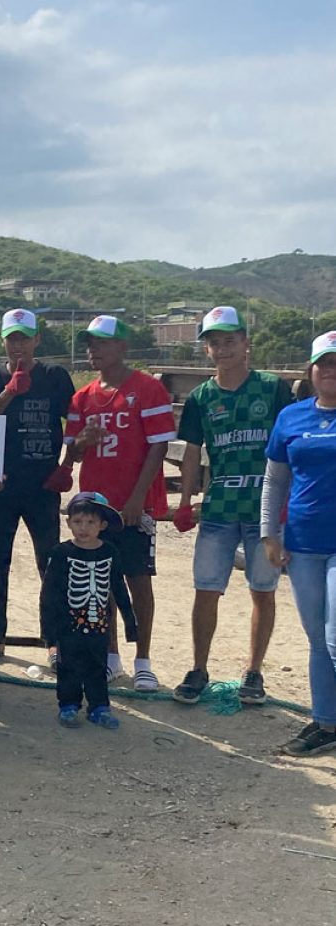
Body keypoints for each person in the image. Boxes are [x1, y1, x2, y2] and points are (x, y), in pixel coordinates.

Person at [172, 307, 292, 705]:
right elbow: (192, 452)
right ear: (206, 349)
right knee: (206, 589)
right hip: (219, 507)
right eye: (213, 342)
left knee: (263, 590)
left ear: (245, 343)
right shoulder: (201, 398)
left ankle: (254, 672)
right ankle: (198, 668)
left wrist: (288, 506)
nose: (222, 349)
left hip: (265, 509)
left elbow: (289, 448)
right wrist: (187, 501)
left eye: (229, 341)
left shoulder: (273, 389)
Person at [60, 315, 176, 691]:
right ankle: (110, 657)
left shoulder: (146, 388)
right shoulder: (82, 396)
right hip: (96, 507)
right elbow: (72, 453)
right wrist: (83, 442)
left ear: (122, 347)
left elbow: (158, 445)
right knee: (101, 582)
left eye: (102, 342)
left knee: (138, 580)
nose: (93, 349)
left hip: (132, 503)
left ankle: (143, 659)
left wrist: (138, 497)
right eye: (89, 342)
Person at [0, 309, 75, 663]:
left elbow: (74, 422)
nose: (18, 345)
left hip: (44, 485)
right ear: (2, 340)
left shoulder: (55, 376)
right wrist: (8, 392)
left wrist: (68, 465)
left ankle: (53, 640)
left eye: (24, 338)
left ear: (36, 340)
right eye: (11, 338)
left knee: (49, 563)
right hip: (1, 485)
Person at [261, 331, 336, 756]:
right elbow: (275, 481)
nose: (330, 370)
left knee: (335, 636)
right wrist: (269, 534)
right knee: (316, 637)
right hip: (304, 544)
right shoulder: (292, 418)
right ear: (310, 371)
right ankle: (325, 721)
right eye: (323, 362)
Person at [41, 492, 136, 729]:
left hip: (99, 625)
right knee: (68, 665)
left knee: (97, 665)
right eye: (78, 522)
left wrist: (130, 622)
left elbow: (119, 588)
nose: (83, 528)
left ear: (103, 525)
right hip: (67, 624)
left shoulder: (110, 552)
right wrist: (49, 632)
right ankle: (69, 706)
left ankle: (99, 707)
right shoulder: (60, 553)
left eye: (91, 522)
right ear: (69, 523)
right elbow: (49, 593)